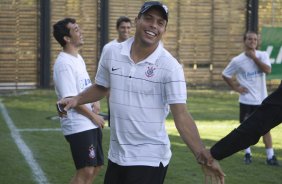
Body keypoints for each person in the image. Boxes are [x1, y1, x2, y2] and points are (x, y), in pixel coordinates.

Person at [59, 2, 225, 184]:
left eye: (160, 22)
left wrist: (203, 155)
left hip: (150, 159)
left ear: (164, 29)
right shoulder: (111, 51)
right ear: (137, 20)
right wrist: (77, 99)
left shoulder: (171, 67)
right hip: (117, 156)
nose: (154, 25)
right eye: (148, 18)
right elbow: (102, 87)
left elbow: (181, 115)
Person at [53, 18, 105, 184]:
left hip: (89, 122)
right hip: (78, 124)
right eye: (76, 29)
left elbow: (84, 87)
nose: (81, 31)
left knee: (95, 167)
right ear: (67, 38)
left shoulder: (77, 58)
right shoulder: (63, 64)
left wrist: (95, 101)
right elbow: (69, 99)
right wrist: (93, 116)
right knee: (86, 170)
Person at [221, 31, 279, 165]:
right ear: (244, 41)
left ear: (257, 42)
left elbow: (267, 70)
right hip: (246, 101)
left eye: (255, 39)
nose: (252, 41)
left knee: (266, 129)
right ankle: (247, 154)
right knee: (245, 129)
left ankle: (270, 157)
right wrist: (236, 88)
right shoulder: (237, 60)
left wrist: (254, 58)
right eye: (249, 39)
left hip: (262, 101)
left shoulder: (262, 55)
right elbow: (225, 74)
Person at [210, 80, 282, 162]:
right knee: (253, 125)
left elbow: (258, 124)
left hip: (260, 100)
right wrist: (215, 153)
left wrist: (214, 153)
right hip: (246, 100)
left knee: (261, 127)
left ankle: (270, 155)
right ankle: (248, 154)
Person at [101, 16, 132, 126]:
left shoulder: (135, 47)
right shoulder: (109, 47)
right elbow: (104, 69)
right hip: (113, 89)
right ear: (117, 28)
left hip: (130, 89)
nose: (126, 30)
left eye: (128, 27)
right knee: (115, 124)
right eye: (123, 27)